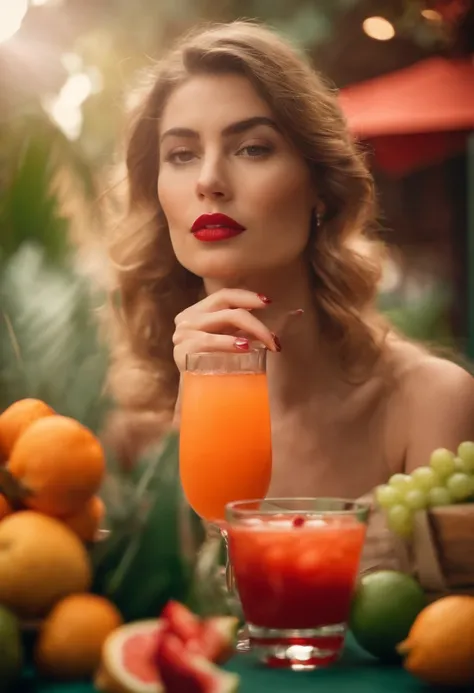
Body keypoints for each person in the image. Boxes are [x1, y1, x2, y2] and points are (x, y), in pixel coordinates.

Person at [105, 20, 474, 504]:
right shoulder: (141, 434)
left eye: (253, 147)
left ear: (319, 186)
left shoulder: (428, 403)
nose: (209, 180)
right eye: (181, 155)